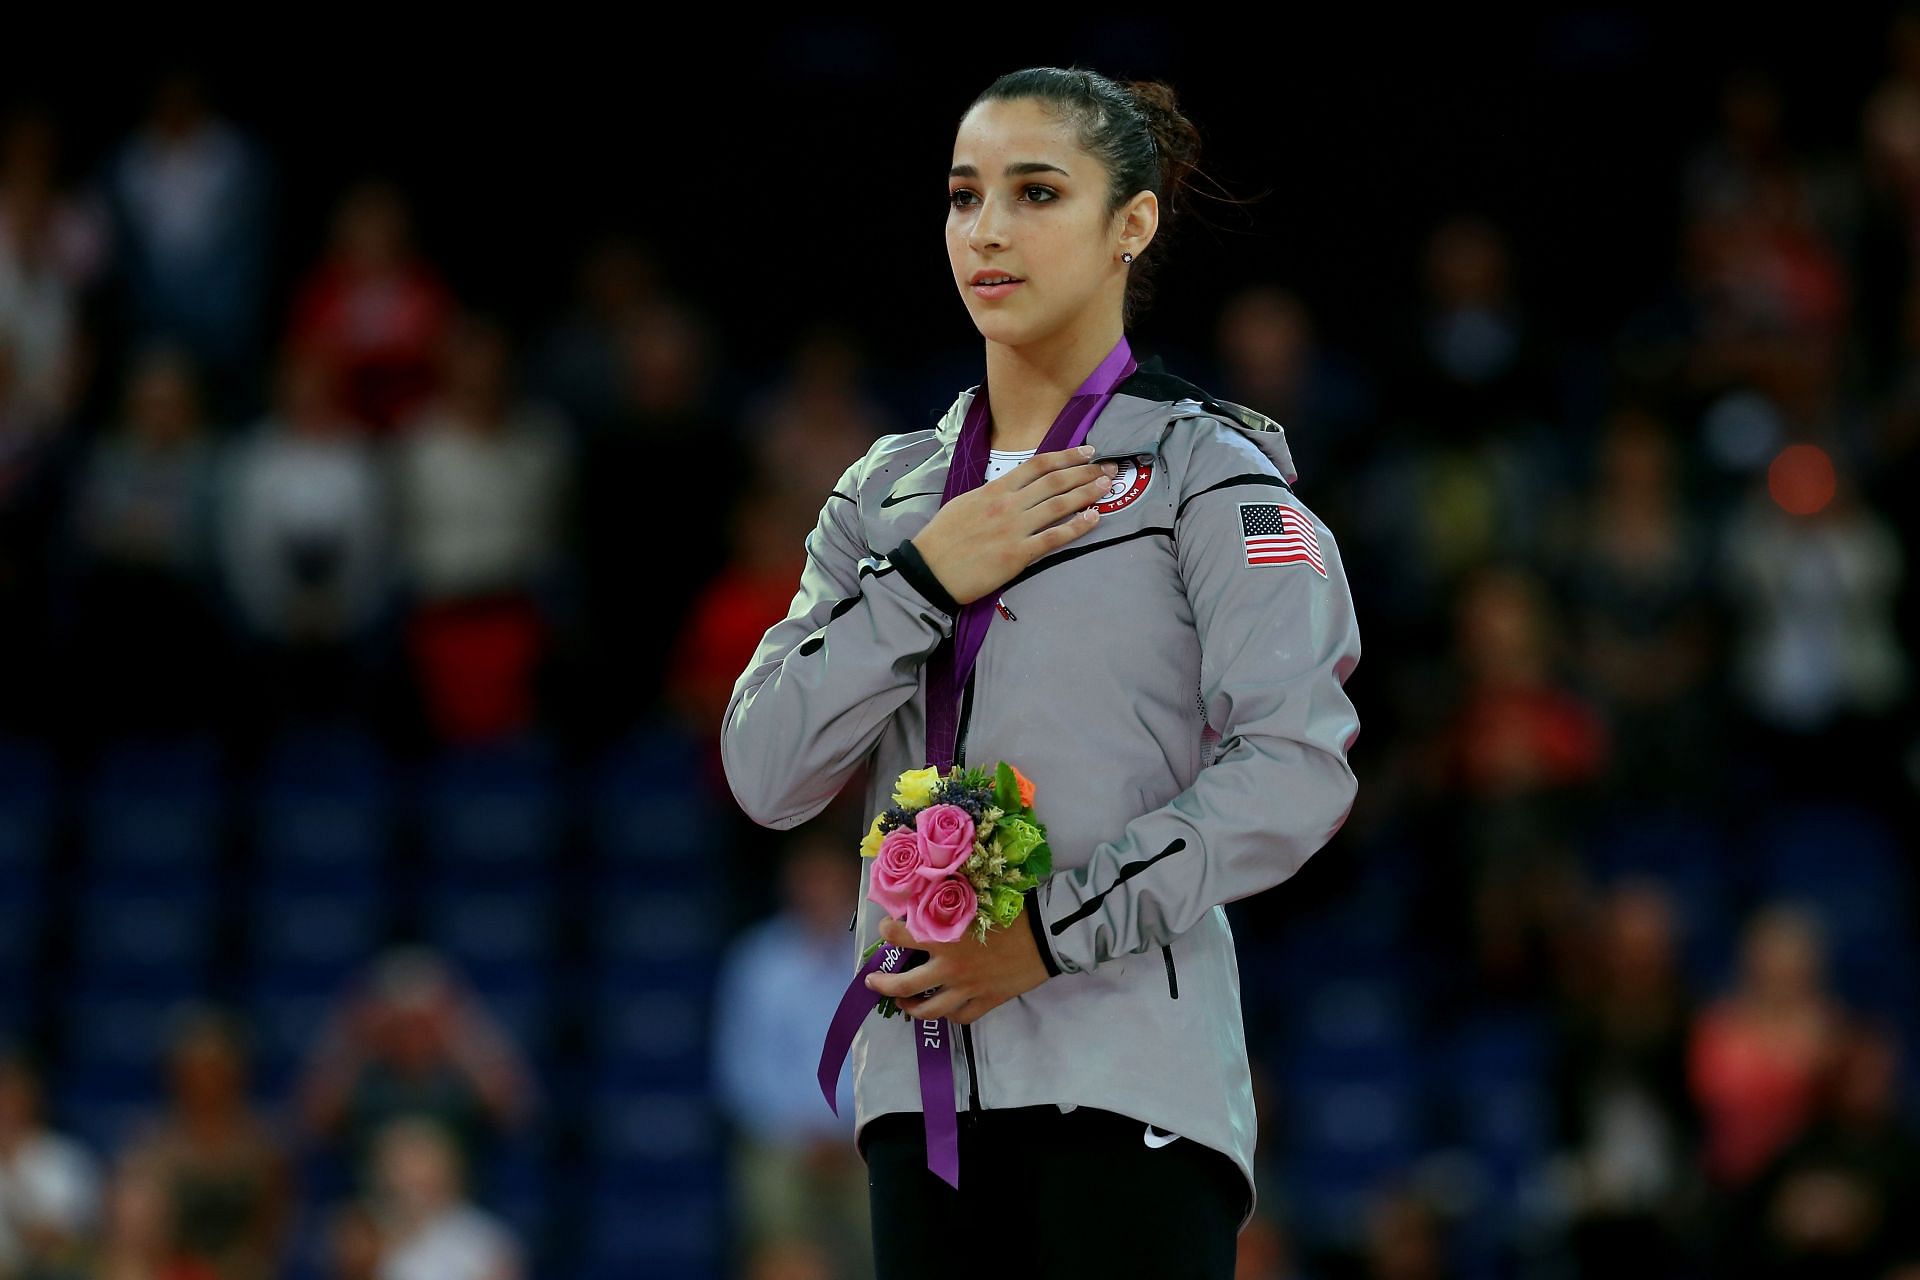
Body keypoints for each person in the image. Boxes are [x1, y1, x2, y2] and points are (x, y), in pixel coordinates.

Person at [720, 66, 1363, 1278]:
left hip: (1129, 1082)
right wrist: (920, 577)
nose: (990, 231)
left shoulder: (1206, 475)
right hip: (921, 1097)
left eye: (1036, 192)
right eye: (966, 196)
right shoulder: (888, 494)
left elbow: (1294, 768)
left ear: (1133, 223)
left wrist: (1052, 935)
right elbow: (765, 767)